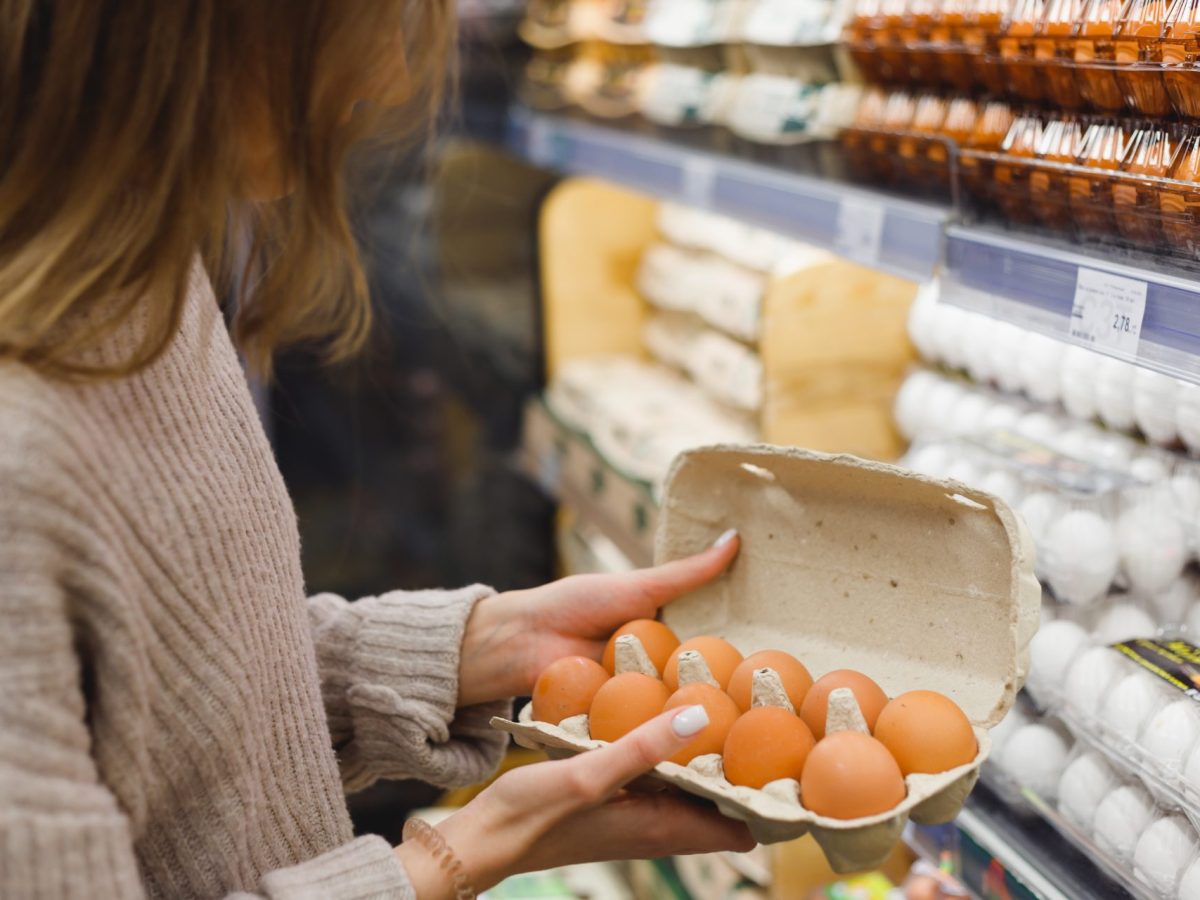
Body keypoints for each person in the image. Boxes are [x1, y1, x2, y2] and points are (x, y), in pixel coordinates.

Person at [0, 3, 755, 898]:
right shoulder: (22, 443)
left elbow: (158, 705)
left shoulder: (128, 279)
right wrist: (447, 860)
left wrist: (478, 648)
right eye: (366, 21)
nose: (388, 82)